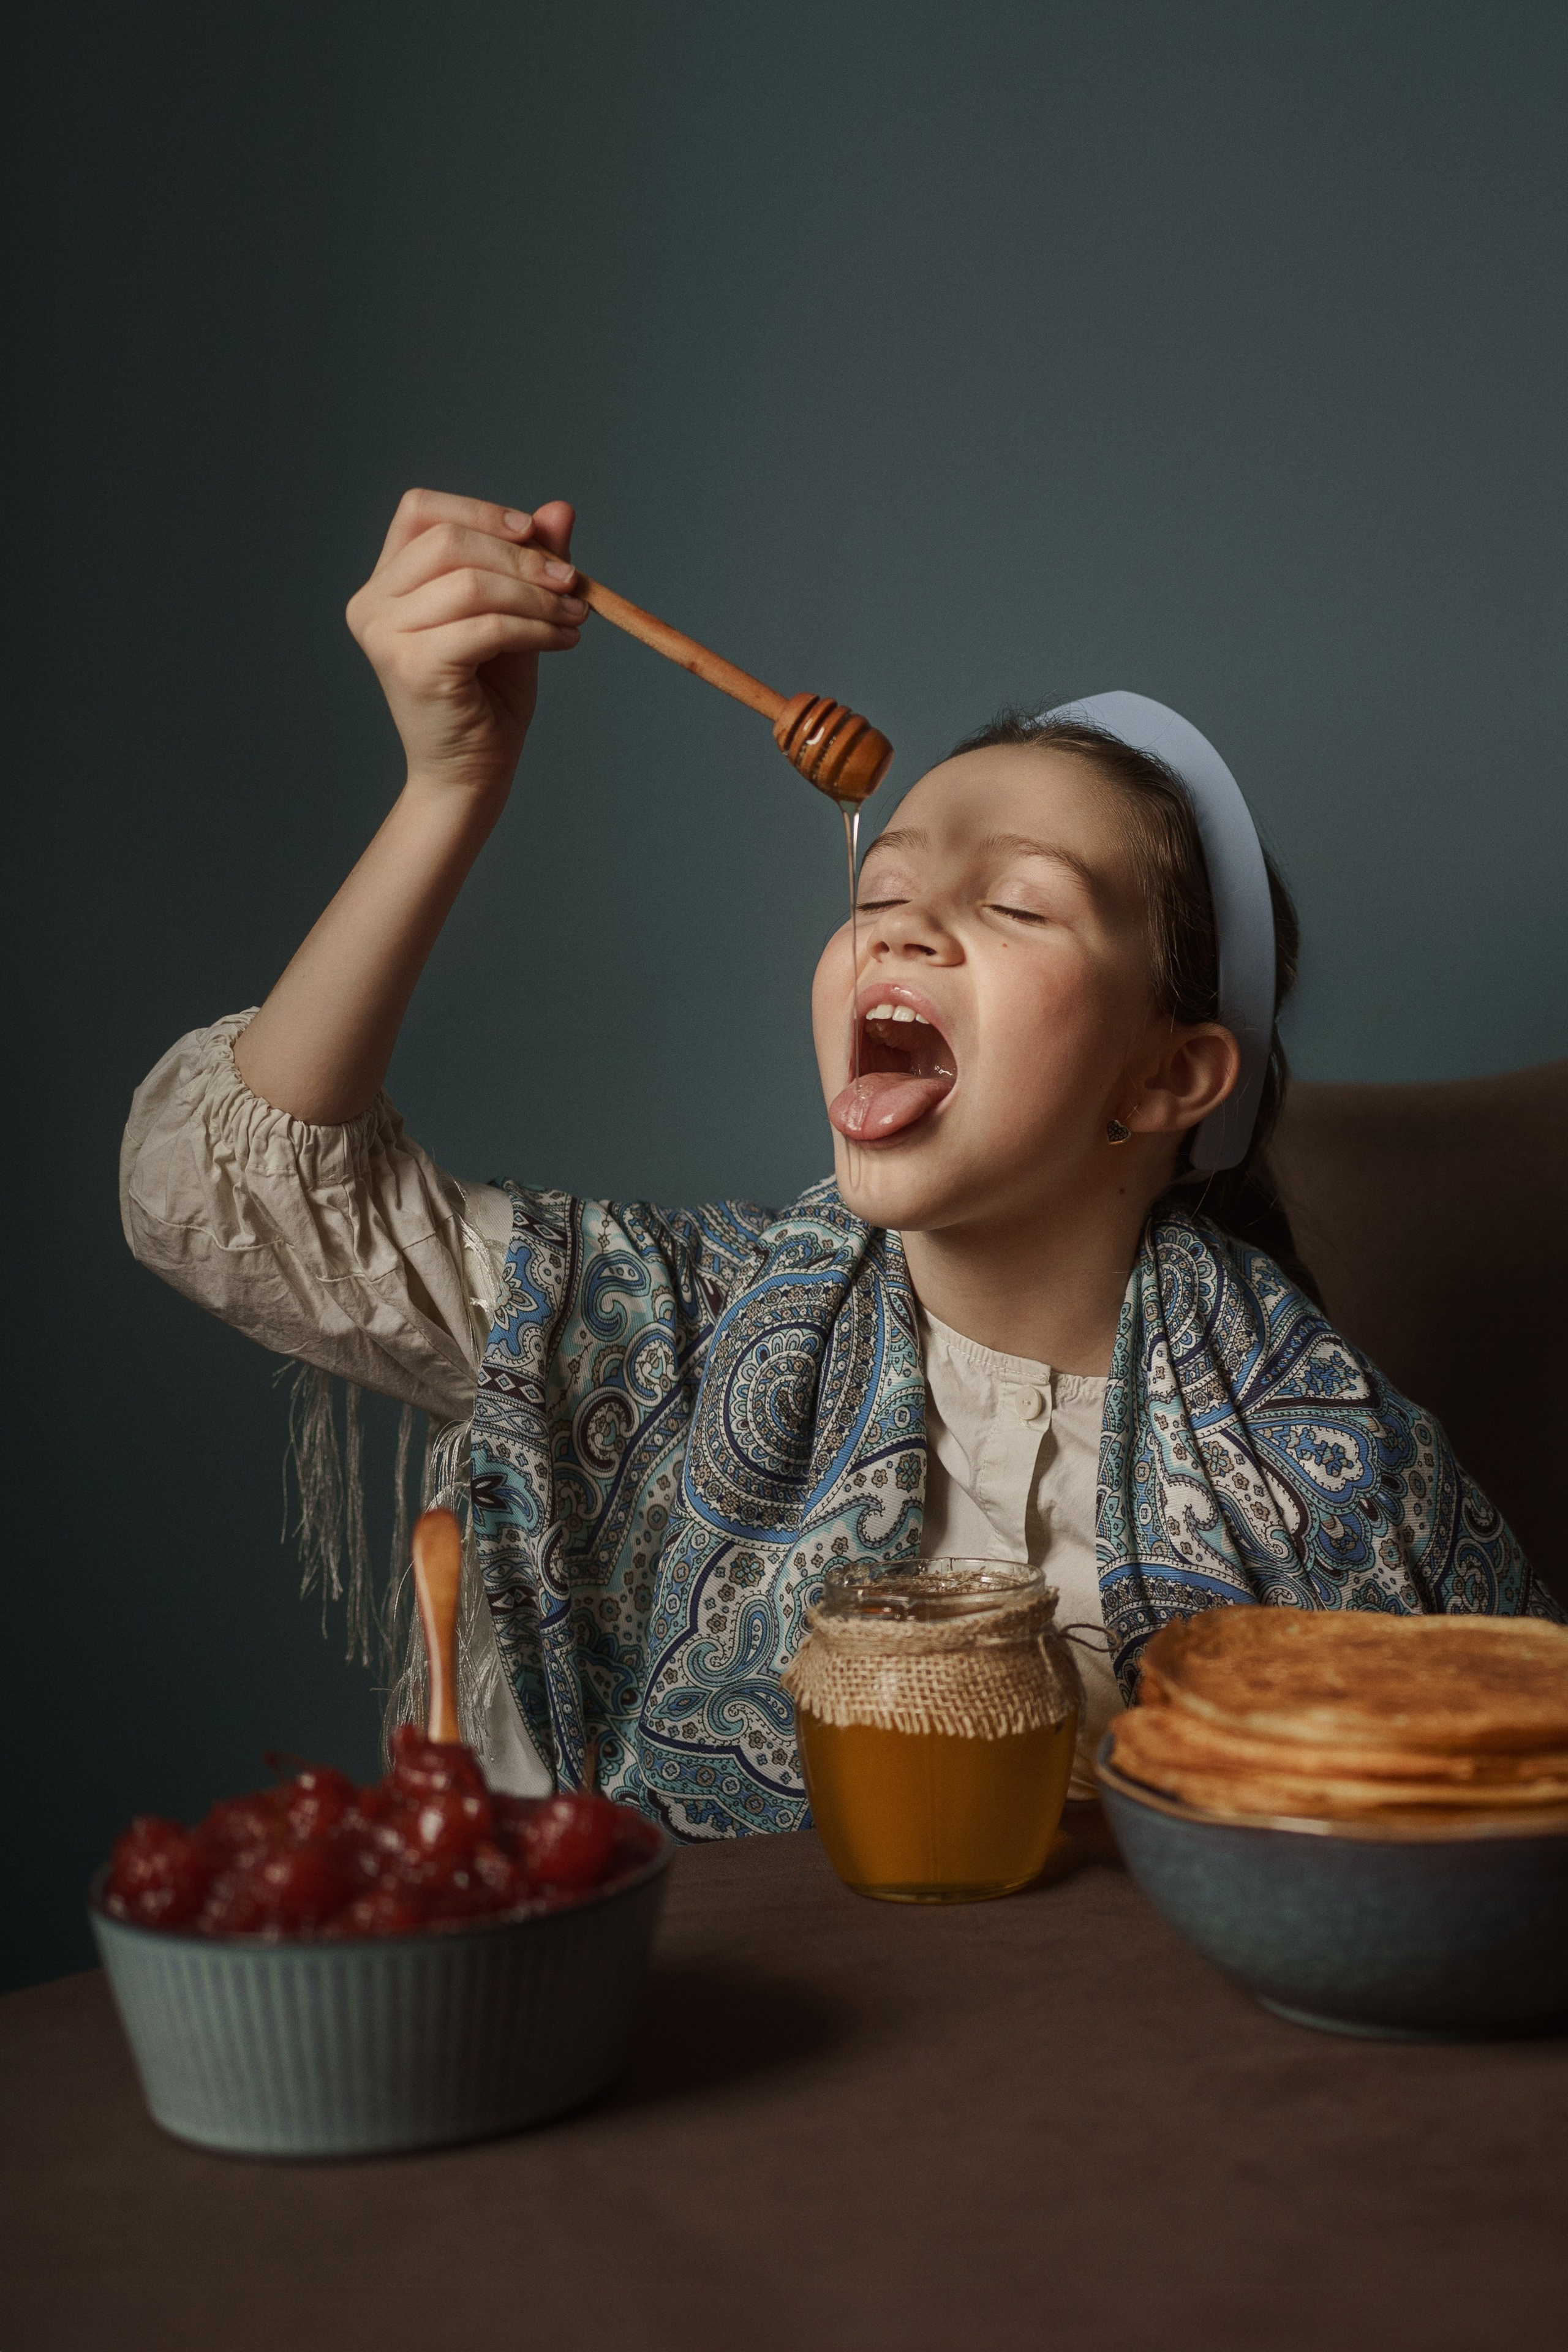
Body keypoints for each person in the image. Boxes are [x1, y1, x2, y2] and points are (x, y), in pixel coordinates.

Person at [121, 489, 1559, 1840]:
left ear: (1166, 1076)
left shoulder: (1347, 1476)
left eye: (1011, 902)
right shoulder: (660, 1334)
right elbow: (230, 1200)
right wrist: (449, 788)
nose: (900, 928)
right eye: (879, 890)